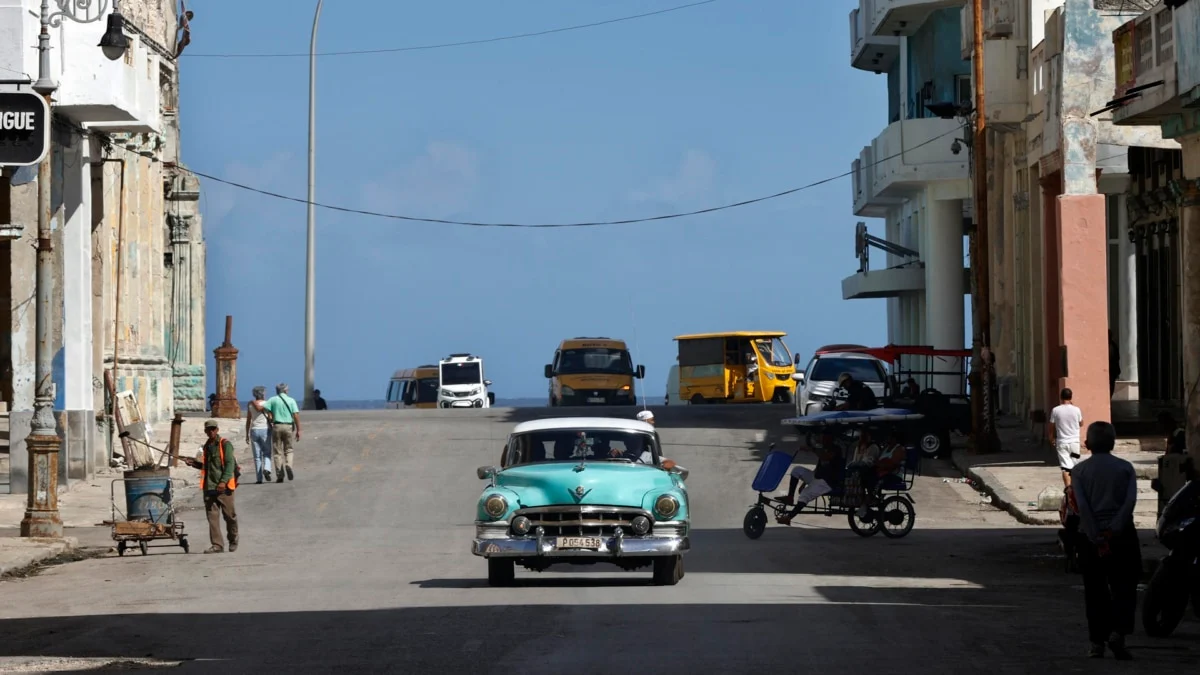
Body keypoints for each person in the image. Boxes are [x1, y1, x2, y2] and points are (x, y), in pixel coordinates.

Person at [1071, 421, 1139, 660]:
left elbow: (1083, 508)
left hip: (1091, 538)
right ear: (1113, 443)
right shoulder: (1125, 468)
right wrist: (1113, 530)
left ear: (1087, 444)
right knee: (1124, 586)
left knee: (1094, 590)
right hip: (1122, 536)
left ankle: (1096, 642)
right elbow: (1129, 503)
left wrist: (1097, 536)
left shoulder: (1079, 471)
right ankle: (1119, 634)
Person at [183, 419, 239, 554]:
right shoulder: (207, 446)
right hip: (209, 487)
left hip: (224, 488)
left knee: (229, 516)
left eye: (213, 429)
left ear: (217, 430)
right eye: (209, 429)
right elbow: (207, 467)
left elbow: (230, 465)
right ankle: (217, 545)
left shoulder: (225, 444)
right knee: (212, 518)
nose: (211, 431)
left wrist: (222, 482)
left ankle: (233, 539)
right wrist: (193, 464)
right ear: (205, 431)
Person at [776, 431, 846, 525]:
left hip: (826, 482)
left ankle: (789, 517)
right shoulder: (823, 448)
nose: (821, 437)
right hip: (817, 477)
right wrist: (804, 483)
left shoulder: (836, 449)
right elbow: (818, 467)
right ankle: (790, 497)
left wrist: (812, 449)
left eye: (823, 436)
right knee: (796, 470)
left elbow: (825, 457)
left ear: (830, 438)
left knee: (805, 494)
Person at [262, 382, 302, 482]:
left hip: (277, 426)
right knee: (288, 449)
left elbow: (264, 409)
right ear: (285, 390)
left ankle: (280, 475)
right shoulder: (291, 400)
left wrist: (270, 417)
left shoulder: (272, 399)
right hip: (288, 426)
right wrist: (299, 429)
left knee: (277, 452)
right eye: (287, 389)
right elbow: (296, 415)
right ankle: (288, 465)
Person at [1049, 388, 1084, 488]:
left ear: (1061, 397)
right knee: (1075, 464)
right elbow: (1081, 423)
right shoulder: (1076, 409)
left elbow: (1051, 426)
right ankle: (1076, 488)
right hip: (1074, 444)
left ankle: (1068, 490)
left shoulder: (1055, 410)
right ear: (1071, 397)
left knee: (1065, 467)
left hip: (1062, 444)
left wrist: (1051, 438)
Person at [245, 386, 272, 484]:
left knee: (257, 456)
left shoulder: (250, 404)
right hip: (265, 429)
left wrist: (247, 434)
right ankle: (267, 468)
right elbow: (270, 417)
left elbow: (248, 420)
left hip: (254, 430)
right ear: (263, 394)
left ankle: (259, 478)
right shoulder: (267, 404)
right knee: (267, 452)